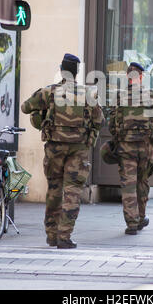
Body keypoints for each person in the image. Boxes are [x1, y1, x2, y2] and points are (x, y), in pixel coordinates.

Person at [21, 53, 104, 249]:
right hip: (79, 149)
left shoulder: (48, 92)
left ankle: (51, 234)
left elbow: (25, 107)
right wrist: (88, 139)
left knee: (54, 190)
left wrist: (41, 116)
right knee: (73, 191)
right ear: (76, 72)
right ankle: (64, 236)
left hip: (54, 148)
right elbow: (99, 121)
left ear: (61, 70)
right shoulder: (88, 94)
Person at [108, 62, 153, 235]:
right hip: (145, 148)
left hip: (125, 148)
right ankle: (141, 217)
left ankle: (132, 223)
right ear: (141, 77)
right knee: (142, 182)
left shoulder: (119, 97)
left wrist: (119, 138)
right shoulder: (149, 96)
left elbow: (111, 124)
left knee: (128, 185)